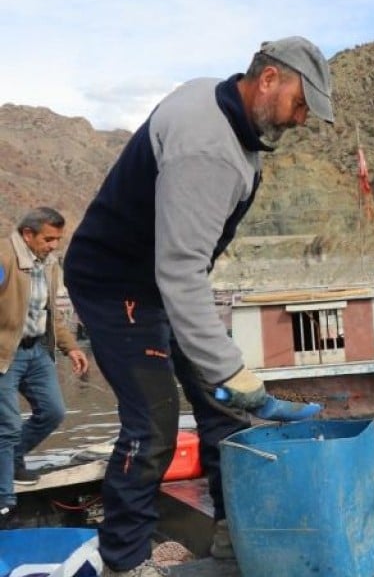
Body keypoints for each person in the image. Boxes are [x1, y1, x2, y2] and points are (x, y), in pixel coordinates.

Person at [64, 36, 334, 576]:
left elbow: (183, 262)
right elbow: (181, 268)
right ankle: (125, 561)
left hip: (162, 282)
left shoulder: (235, 122)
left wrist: (226, 383)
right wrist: (235, 372)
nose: (301, 121)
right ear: (269, 79)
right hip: (117, 285)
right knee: (153, 427)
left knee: (224, 413)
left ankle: (234, 536)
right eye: (301, 104)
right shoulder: (208, 145)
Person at [0, 207, 91, 528]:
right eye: (48, 239)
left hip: (36, 350)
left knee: (53, 412)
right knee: (7, 425)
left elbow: (50, 312)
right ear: (28, 235)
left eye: (57, 240)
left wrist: (72, 348)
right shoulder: (4, 258)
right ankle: (5, 502)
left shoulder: (49, 265)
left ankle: (10, 460)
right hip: (4, 354)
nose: (54, 245)